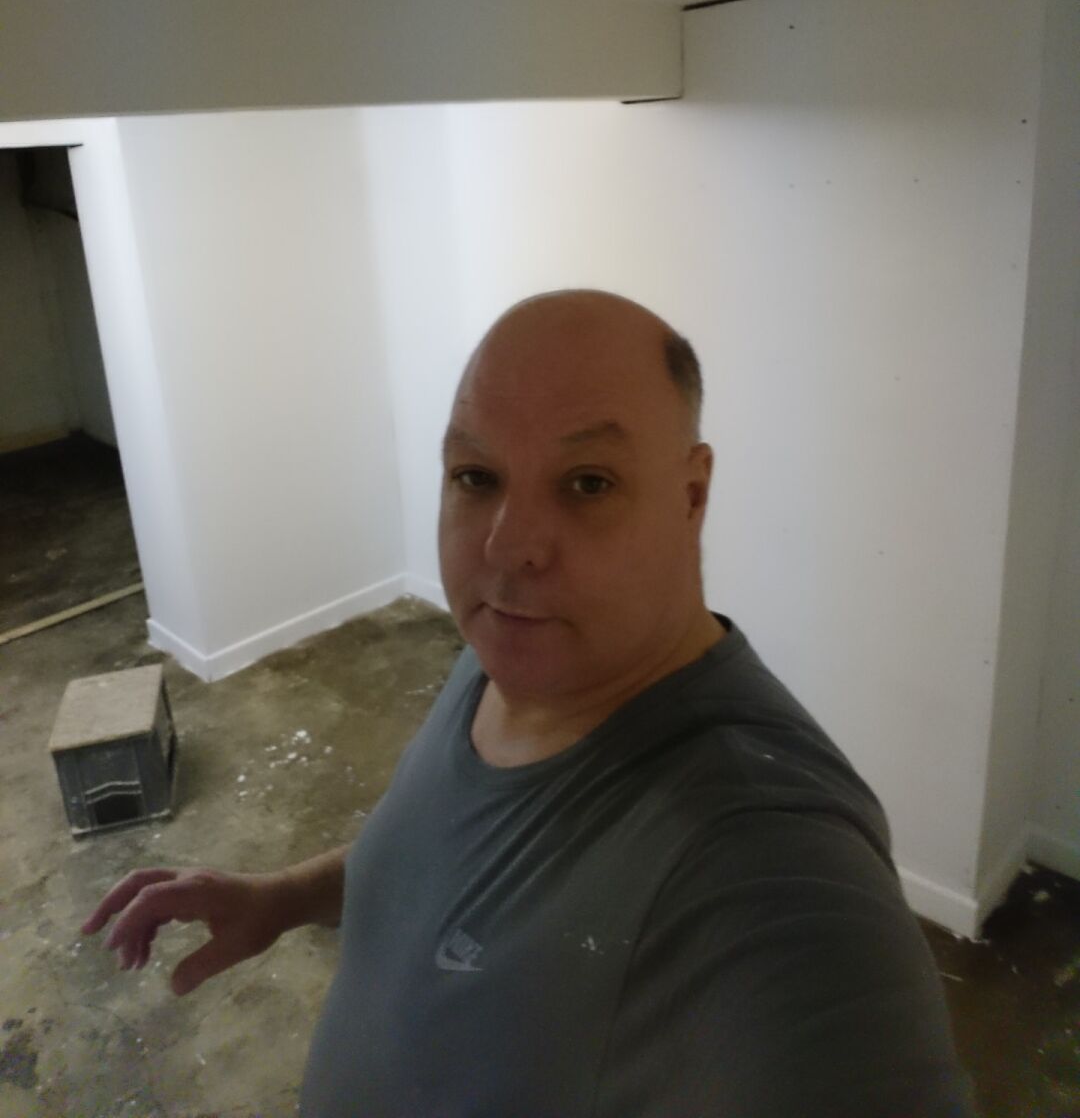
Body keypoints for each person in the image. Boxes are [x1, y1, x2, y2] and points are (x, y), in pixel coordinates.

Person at [83, 289, 977, 1116]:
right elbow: (436, 863)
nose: (508, 548)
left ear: (692, 495)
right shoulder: (507, 661)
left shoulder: (769, 859)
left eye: (588, 483)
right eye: (477, 477)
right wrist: (279, 899)